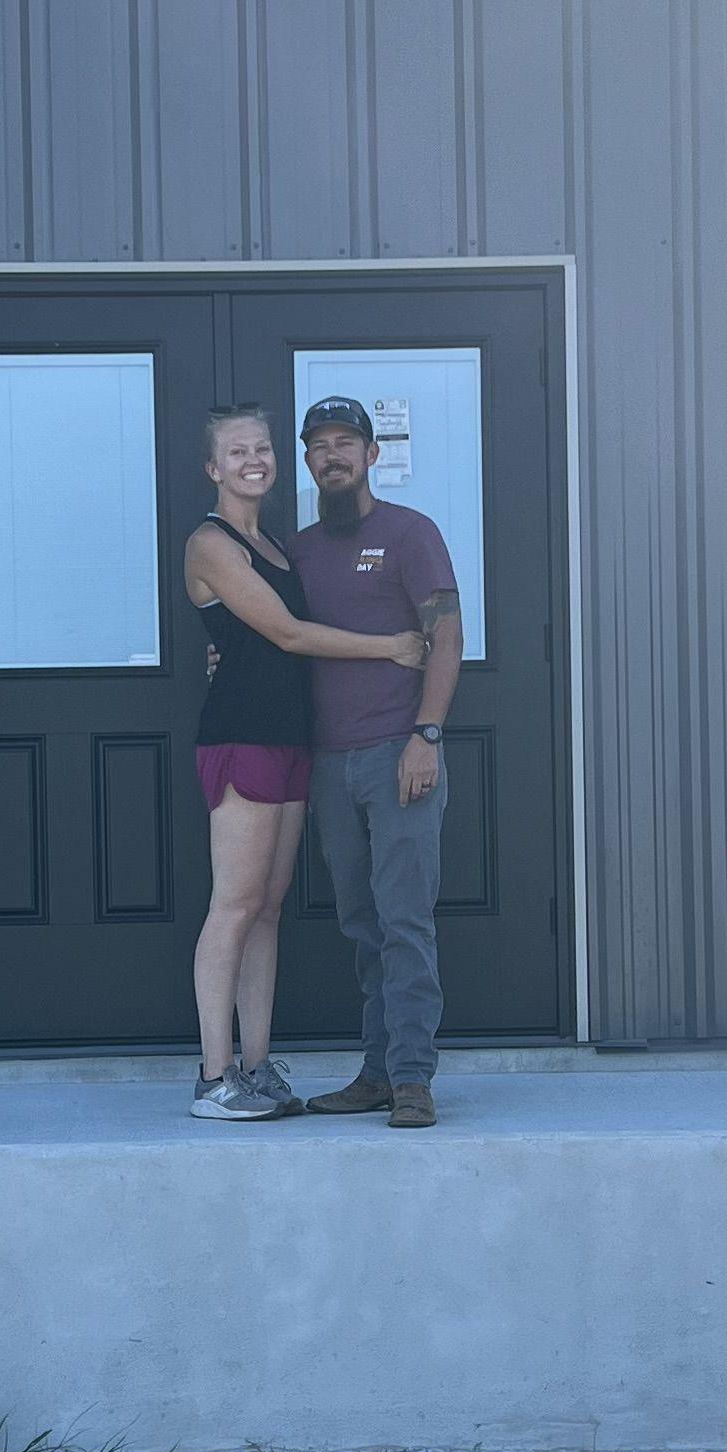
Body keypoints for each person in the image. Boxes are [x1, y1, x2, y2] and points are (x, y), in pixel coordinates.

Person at [181, 405, 427, 1122]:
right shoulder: (211, 542)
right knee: (233, 904)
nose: (253, 460)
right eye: (236, 451)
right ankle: (214, 1077)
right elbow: (287, 634)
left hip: (293, 739)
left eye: (262, 448)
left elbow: (257, 640)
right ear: (213, 468)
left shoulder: (280, 546)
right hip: (242, 737)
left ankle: (257, 1068)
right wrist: (390, 647)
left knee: (267, 908)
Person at [286, 393, 463, 1127]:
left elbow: (446, 637)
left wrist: (427, 735)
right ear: (308, 461)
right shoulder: (297, 551)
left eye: (344, 443)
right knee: (362, 923)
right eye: (319, 445)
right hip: (330, 763)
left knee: (404, 922)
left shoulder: (409, 534)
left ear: (371, 454)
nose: (332, 456)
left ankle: (413, 1078)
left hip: (399, 754)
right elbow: (284, 636)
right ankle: (377, 1072)